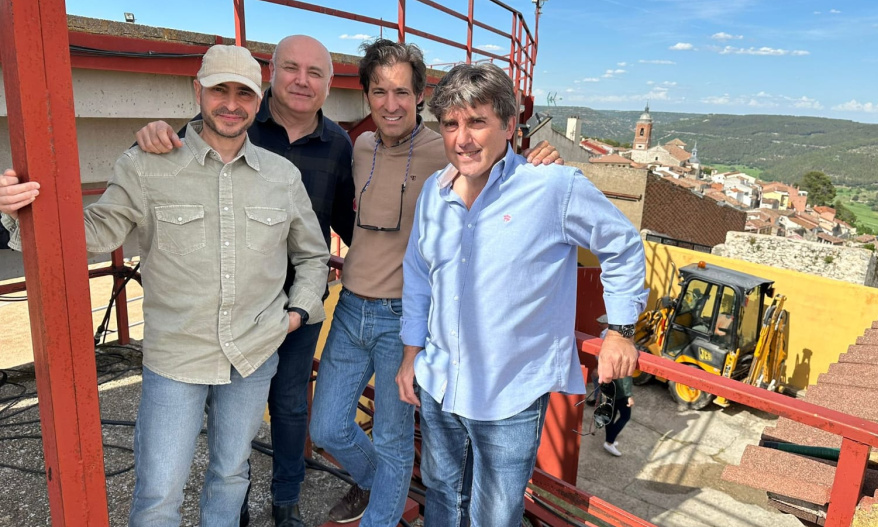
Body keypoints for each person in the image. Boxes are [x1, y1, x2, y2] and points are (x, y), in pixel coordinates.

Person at [0, 45, 331, 526]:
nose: (231, 103)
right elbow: (93, 234)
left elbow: (312, 254)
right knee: (159, 492)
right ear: (197, 91)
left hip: (256, 351)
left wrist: (297, 313)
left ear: (258, 102)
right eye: (220, 89)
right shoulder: (145, 164)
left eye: (244, 93)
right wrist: (18, 212)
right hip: (178, 356)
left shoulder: (282, 176)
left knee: (231, 474)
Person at [307, 39, 561, 526]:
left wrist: (539, 162)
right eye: (379, 91)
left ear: (420, 95)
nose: (391, 103)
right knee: (328, 425)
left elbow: (496, 171)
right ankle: (372, 483)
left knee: (393, 439)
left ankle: (380, 516)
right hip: (351, 306)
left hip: (405, 316)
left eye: (402, 91)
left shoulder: (443, 150)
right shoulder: (360, 146)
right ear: (366, 97)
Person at [396, 62, 648, 526]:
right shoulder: (435, 190)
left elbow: (623, 244)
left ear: (510, 125)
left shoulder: (553, 186)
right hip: (438, 382)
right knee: (441, 494)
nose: (462, 138)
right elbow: (417, 273)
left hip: (509, 395)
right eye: (450, 124)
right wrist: (412, 353)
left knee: (494, 515)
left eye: (477, 122)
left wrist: (620, 330)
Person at [133, 35, 354, 527]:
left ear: (328, 83)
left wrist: (303, 308)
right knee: (188, 468)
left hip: (283, 317)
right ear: (270, 77)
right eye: (291, 68)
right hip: (207, 324)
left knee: (289, 408)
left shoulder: (337, 144)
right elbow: (176, 159)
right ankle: (238, 516)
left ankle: (286, 501)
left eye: (315, 72)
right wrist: (147, 137)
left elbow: (344, 227)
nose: (302, 80)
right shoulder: (220, 129)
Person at [601, 376, 635, 457]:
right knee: (625, 416)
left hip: (610, 387)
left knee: (611, 415)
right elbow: (626, 376)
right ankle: (609, 442)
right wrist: (629, 396)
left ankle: (609, 440)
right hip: (621, 392)